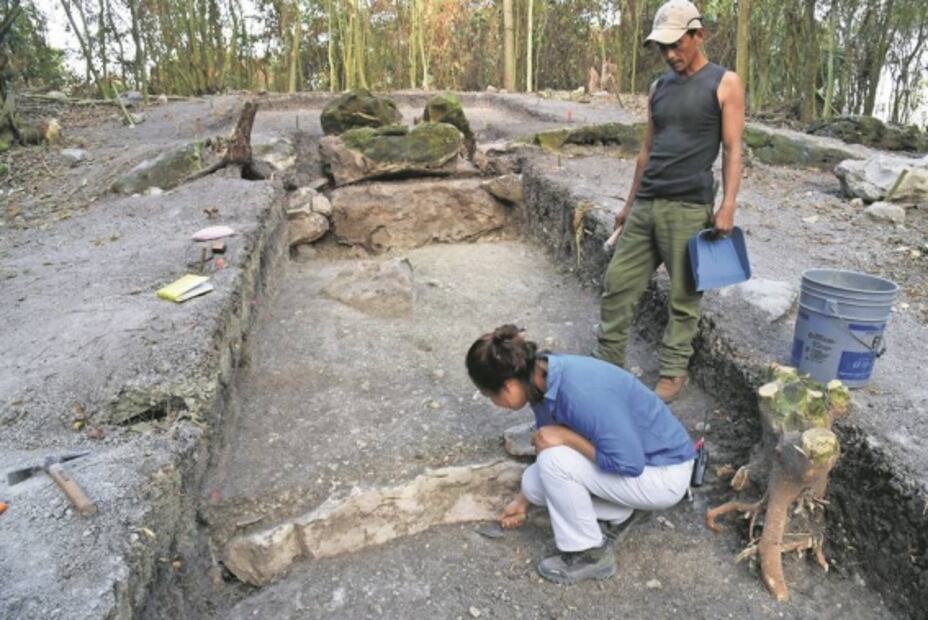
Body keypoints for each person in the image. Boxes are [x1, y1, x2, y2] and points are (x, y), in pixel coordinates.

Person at [596, 0, 745, 402]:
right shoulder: (658, 88)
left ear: (699, 35)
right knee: (617, 285)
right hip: (646, 203)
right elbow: (646, 151)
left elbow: (733, 148)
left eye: (677, 44)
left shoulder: (724, 82)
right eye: (663, 47)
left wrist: (728, 204)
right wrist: (629, 204)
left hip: (688, 207)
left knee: (684, 296)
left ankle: (673, 370)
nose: (670, 54)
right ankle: (607, 365)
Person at [466, 325, 696, 585]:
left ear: (508, 385)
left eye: (490, 395)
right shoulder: (540, 376)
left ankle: (590, 554)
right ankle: (623, 511)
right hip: (639, 464)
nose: (494, 402)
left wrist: (565, 437)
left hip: (663, 472)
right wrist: (523, 501)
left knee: (554, 461)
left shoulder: (580, 392)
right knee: (532, 484)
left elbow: (629, 464)